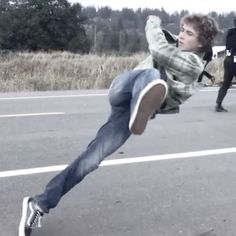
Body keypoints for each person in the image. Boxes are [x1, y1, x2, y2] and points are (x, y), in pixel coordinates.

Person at [18, 14, 218, 236]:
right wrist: (161, 32)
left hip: (126, 113)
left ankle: (38, 204)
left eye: (188, 33)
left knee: (91, 160)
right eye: (181, 29)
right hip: (123, 88)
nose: (181, 35)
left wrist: (153, 21)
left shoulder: (193, 65)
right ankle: (141, 103)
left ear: (201, 43)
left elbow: (159, 49)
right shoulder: (172, 42)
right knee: (151, 74)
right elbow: (159, 45)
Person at [215, 17, 236, 112]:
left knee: (226, 83)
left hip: (228, 58)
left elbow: (227, 47)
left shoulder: (230, 32)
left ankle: (218, 105)